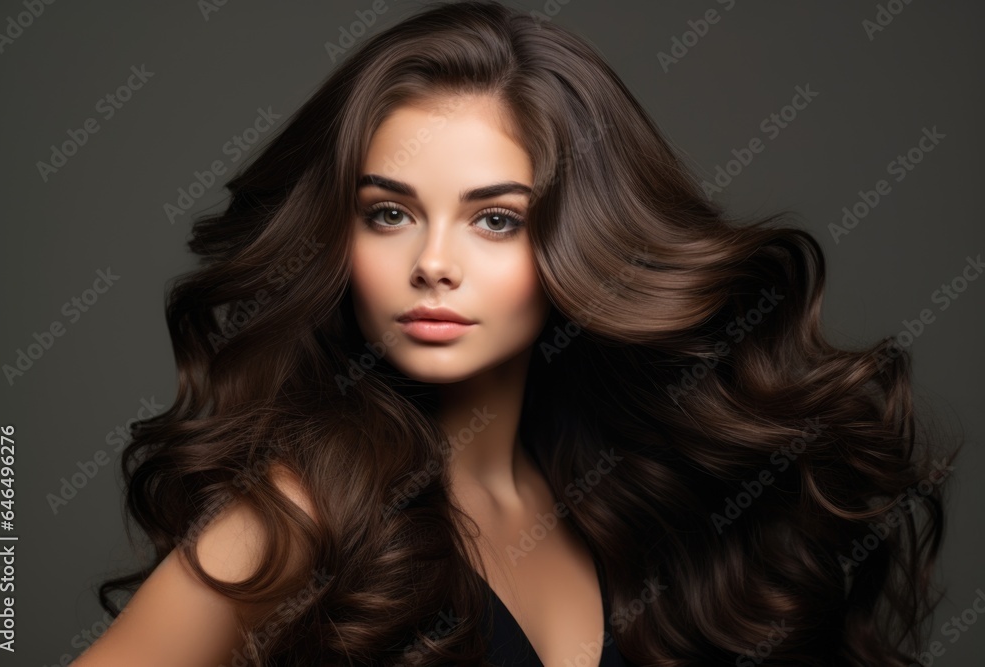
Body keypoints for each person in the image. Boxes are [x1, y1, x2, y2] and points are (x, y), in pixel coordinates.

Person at [72, 1, 959, 665]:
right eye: (389, 213)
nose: (433, 262)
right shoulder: (304, 510)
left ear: (585, 243)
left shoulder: (613, 500)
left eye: (495, 220)